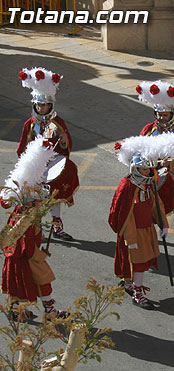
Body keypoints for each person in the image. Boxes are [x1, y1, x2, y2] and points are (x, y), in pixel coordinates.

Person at [109, 133, 174, 309]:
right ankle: (137, 292)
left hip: (146, 229)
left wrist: (163, 224)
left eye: (148, 170)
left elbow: (155, 205)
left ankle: (130, 284)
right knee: (139, 263)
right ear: (135, 170)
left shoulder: (148, 184)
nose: (147, 172)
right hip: (134, 233)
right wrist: (131, 238)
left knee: (143, 261)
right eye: (144, 170)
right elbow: (123, 214)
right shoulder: (127, 187)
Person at [1, 138, 66, 319]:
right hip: (25, 254)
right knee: (44, 279)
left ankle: (17, 309)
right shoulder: (27, 214)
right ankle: (49, 311)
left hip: (19, 253)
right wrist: (37, 254)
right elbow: (24, 238)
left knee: (17, 282)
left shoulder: (27, 210)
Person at [18, 67, 79, 241]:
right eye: (38, 104)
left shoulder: (57, 123)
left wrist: (63, 140)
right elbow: (22, 146)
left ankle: (57, 226)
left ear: (50, 105)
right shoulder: (30, 124)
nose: (41, 107)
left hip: (52, 166)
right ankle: (34, 229)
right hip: (35, 168)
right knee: (34, 199)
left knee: (54, 198)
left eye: (44, 104)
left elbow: (66, 146)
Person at [137, 80, 174, 250]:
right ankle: (154, 234)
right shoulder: (149, 129)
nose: (162, 118)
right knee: (152, 205)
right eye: (159, 115)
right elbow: (140, 148)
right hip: (152, 175)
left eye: (165, 115)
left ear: (171, 114)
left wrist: (170, 163)